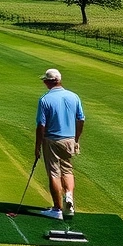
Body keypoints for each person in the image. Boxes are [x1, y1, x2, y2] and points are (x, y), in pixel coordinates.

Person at [34, 68, 85, 219]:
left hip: (52, 139)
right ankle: (69, 197)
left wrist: (37, 146)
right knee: (67, 170)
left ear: (49, 82)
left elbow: (41, 126)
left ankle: (57, 209)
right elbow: (81, 119)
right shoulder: (73, 96)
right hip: (69, 139)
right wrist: (76, 139)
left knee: (54, 173)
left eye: (45, 81)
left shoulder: (45, 99)